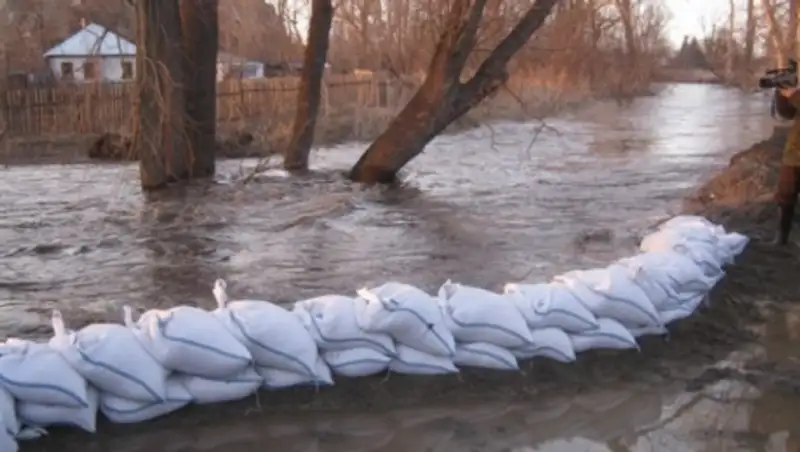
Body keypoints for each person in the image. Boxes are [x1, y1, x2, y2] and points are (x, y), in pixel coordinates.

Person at [772, 86, 800, 245]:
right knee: (785, 196)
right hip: (793, 154)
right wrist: (781, 95)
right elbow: (788, 113)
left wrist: (794, 94)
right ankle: (782, 238)